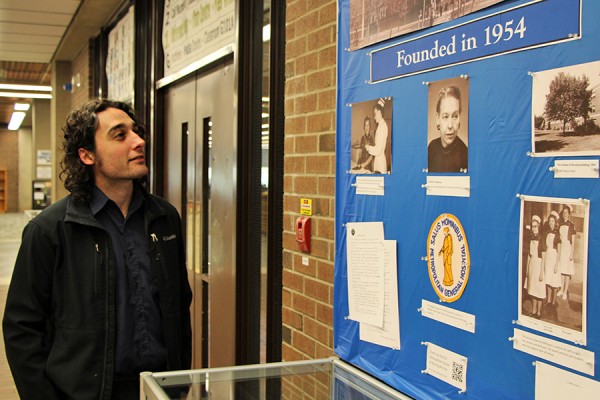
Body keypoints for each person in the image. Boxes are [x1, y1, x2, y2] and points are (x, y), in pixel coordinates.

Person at [2, 98, 192, 400]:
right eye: (120, 135)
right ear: (87, 155)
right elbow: (21, 328)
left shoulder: (164, 219)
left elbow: (178, 306)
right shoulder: (50, 230)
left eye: (137, 131)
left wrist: (180, 384)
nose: (138, 141)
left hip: (156, 389)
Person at [427, 85, 468, 173]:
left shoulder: (465, 155)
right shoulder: (431, 148)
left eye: (455, 116)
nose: (450, 125)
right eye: (445, 117)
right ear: (438, 119)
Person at [525, 215, 545, 319]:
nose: (534, 228)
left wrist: (542, 272)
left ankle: (538, 312)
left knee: (539, 290)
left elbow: (544, 257)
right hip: (532, 264)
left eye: (535, 226)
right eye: (533, 226)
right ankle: (533, 310)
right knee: (532, 289)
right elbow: (529, 254)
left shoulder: (541, 239)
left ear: (539, 226)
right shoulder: (531, 238)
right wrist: (527, 268)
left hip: (539, 265)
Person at [541, 211, 560, 309]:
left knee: (554, 280)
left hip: (554, 257)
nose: (551, 222)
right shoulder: (547, 232)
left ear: (555, 222)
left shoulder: (557, 233)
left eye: (553, 221)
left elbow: (559, 251)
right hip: (548, 256)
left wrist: (557, 264)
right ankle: (548, 300)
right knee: (548, 279)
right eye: (550, 221)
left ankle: (553, 301)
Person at [557, 205, 576, 301]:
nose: (565, 214)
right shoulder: (559, 224)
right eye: (563, 212)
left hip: (568, 249)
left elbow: (573, 241)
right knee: (561, 270)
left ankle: (565, 291)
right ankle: (561, 289)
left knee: (567, 272)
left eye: (566, 212)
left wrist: (572, 254)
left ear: (569, 214)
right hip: (562, 248)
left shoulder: (571, 225)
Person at [365, 98, 389, 174]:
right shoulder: (380, 126)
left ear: (379, 112)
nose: (374, 118)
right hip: (378, 160)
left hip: (380, 162)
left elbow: (378, 149)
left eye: (375, 114)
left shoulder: (383, 127)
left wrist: (368, 148)